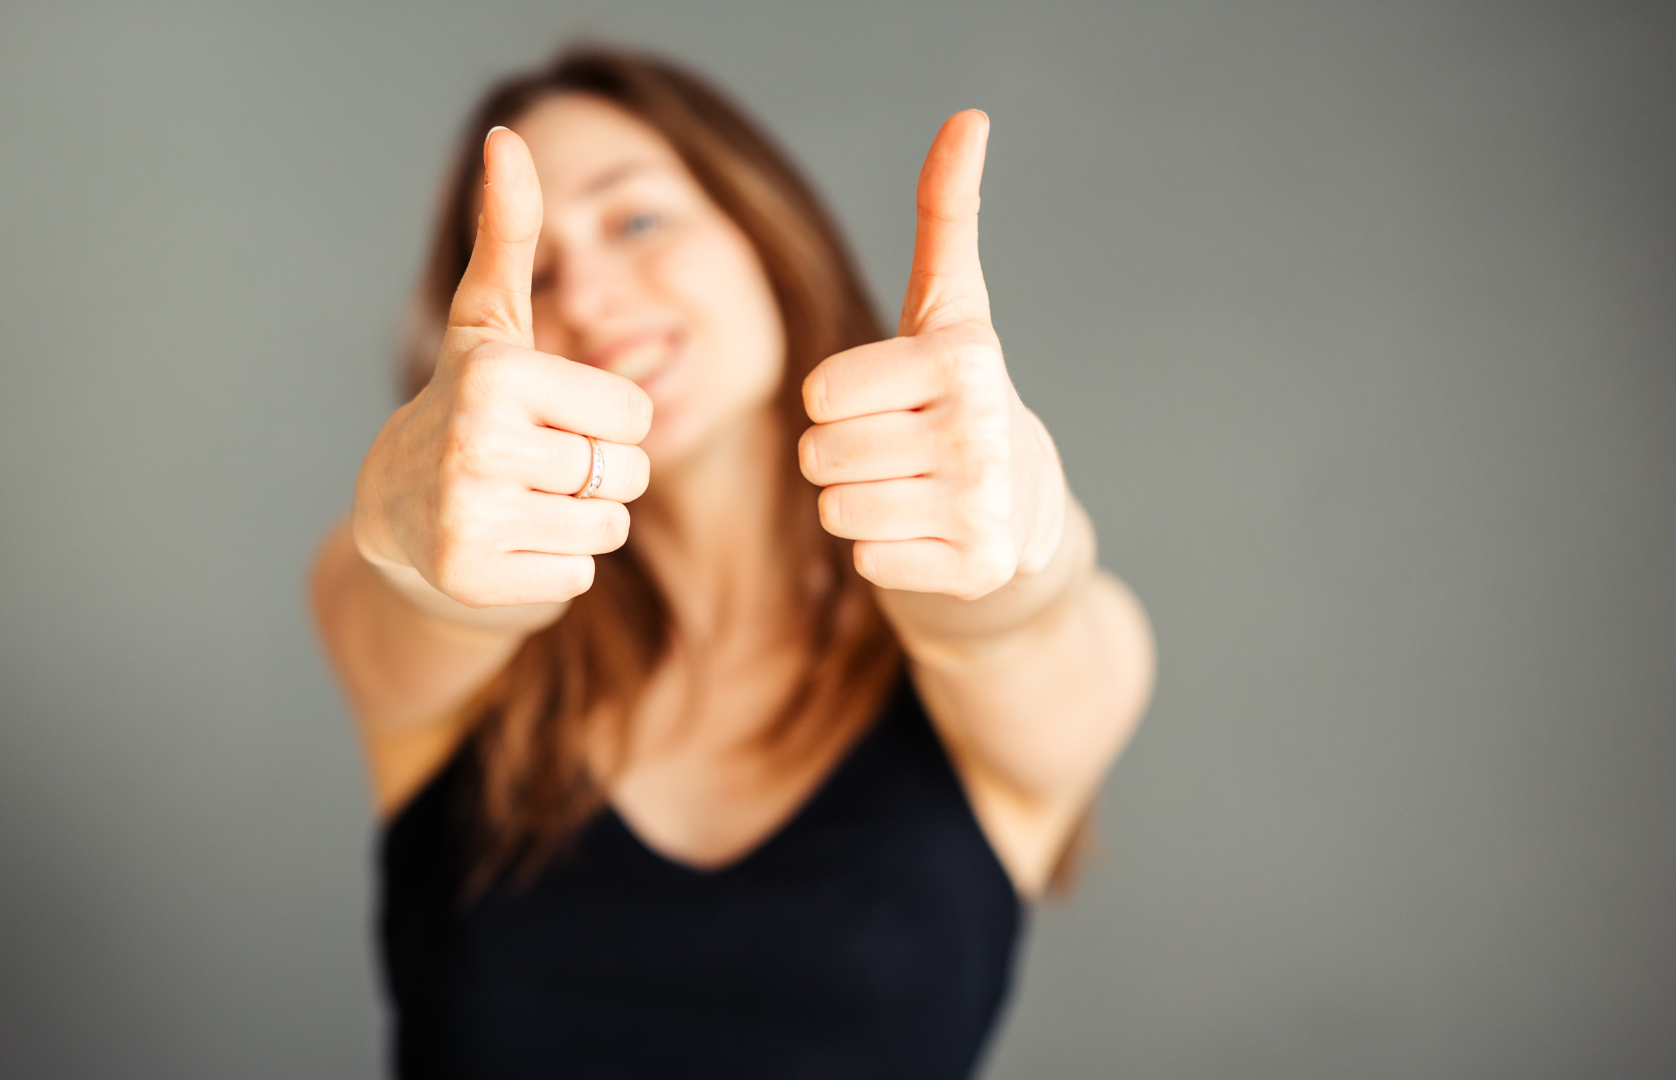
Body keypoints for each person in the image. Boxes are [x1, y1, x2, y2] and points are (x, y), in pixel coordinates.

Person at [311, 47, 1154, 1080]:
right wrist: (408, 534)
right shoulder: (409, 615)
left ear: (762, 225)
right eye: (535, 272)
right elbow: (418, 603)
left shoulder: (1068, 671)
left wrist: (1023, 535)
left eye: (636, 219)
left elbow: (1019, 624)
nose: (594, 298)